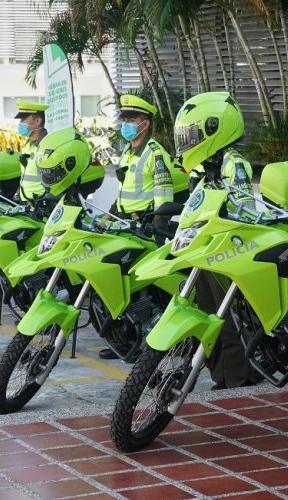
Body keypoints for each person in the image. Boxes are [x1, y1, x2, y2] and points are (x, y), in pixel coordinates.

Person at [171, 91, 257, 388]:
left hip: (225, 249)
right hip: (202, 247)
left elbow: (245, 209)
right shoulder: (202, 167)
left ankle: (236, 375)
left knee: (225, 317)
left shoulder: (234, 164)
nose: (187, 142)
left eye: (192, 135)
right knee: (207, 313)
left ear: (215, 129)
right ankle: (219, 372)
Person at [97, 94, 176, 359]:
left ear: (145, 123)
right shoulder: (128, 153)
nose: (126, 124)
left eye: (132, 119)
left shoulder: (156, 154)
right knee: (119, 284)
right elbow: (122, 194)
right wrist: (105, 218)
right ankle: (124, 340)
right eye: (125, 119)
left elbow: (163, 198)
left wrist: (155, 229)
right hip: (124, 226)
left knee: (141, 290)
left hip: (144, 228)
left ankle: (142, 343)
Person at [14, 100, 49, 203]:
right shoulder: (28, 145)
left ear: (38, 121)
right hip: (26, 203)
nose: (20, 123)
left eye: (24, 119)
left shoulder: (46, 145)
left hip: (41, 205)